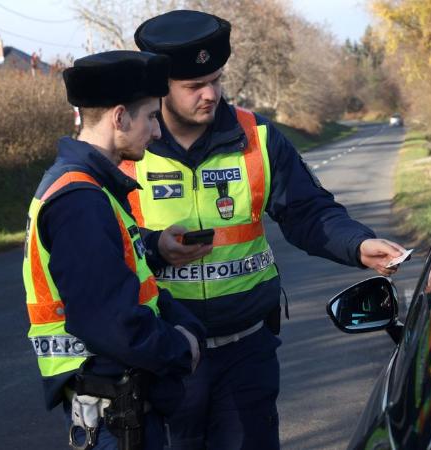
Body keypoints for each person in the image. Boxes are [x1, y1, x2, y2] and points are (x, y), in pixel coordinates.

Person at [123, 10, 407, 449]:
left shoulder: (257, 136)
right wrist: (154, 248)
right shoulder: (127, 148)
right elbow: (102, 243)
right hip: (164, 356)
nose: (211, 94)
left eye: (216, 80)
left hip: (246, 352)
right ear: (161, 88)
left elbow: (309, 212)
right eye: (195, 86)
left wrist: (359, 244)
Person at [22, 50, 205, 450]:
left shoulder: (92, 187)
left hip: (117, 398)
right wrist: (179, 347)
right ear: (120, 117)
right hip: (112, 407)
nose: (157, 132)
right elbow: (110, 321)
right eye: (151, 117)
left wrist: (189, 325)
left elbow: (138, 285)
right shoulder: (80, 201)